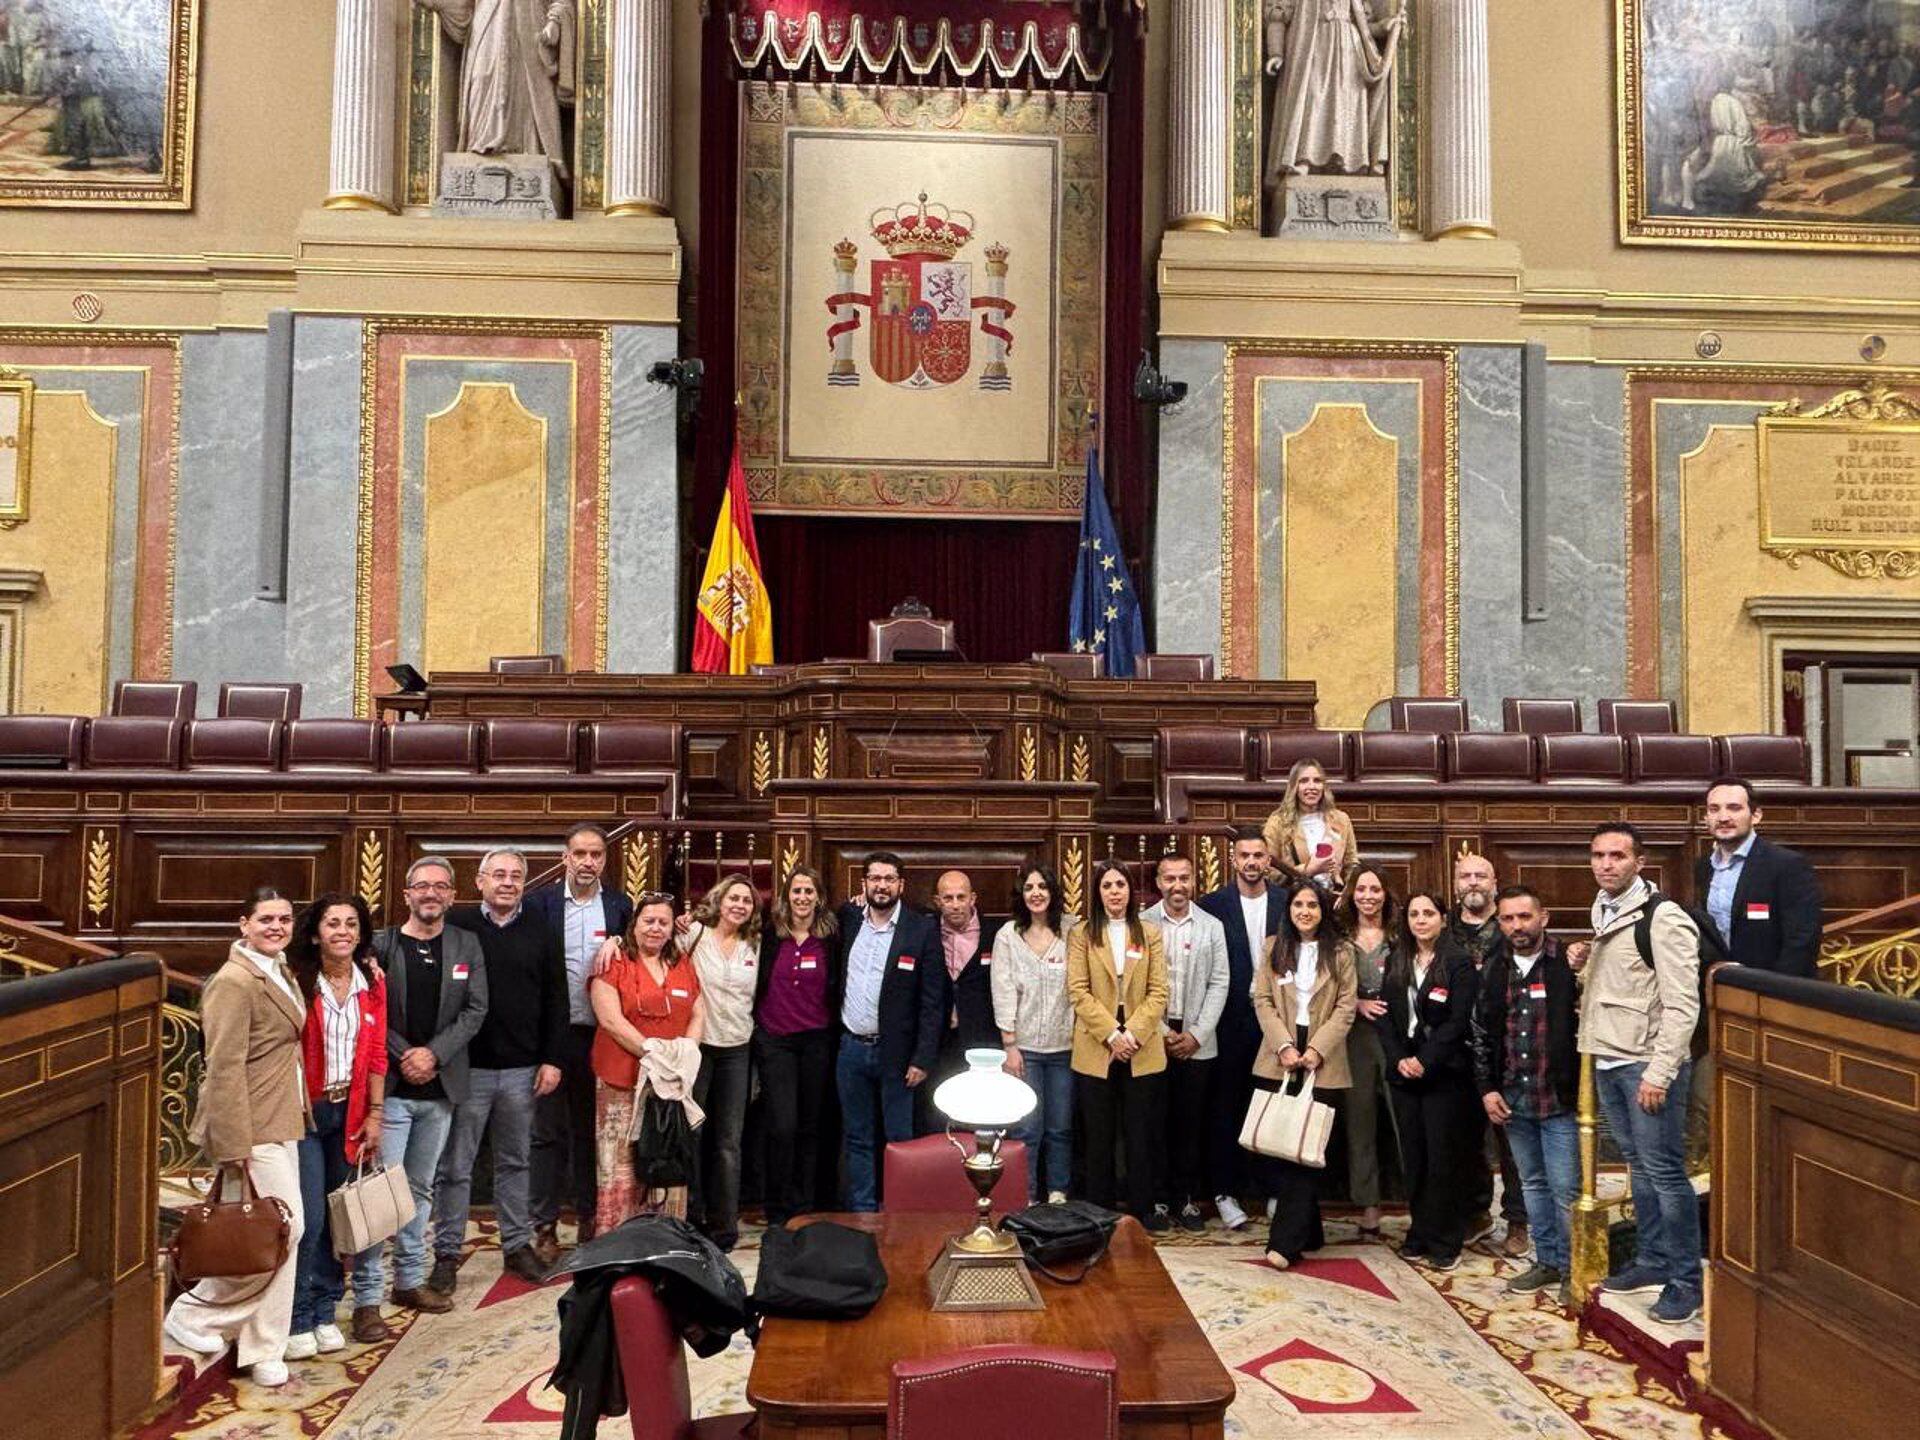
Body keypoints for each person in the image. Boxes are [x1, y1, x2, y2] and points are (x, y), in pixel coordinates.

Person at [163, 888, 309, 1389]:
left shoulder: (278, 970)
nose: (276, 926)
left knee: (282, 1233)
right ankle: (197, 1315)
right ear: (243, 924)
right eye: (266, 919)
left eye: (285, 919)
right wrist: (232, 1147)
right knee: (280, 1231)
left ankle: (263, 1346)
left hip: (283, 1118)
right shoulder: (233, 981)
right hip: (250, 1128)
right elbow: (222, 1069)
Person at [1569, 823, 1704, 1326]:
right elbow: (1619, 982)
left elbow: (1681, 1003)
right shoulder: (1603, 908)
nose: (1606, 864)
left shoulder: (1663, 919)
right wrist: (1581, 962)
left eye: (1617, 856)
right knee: (1637, 1167)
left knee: (1667, 1173)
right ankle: (1651, 1259)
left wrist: (1661, 1072)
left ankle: (1686, 1281)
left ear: (1639, 862)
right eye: (1598, 855)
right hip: (1608, 1053)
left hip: (1647, 1063)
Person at [435, 848, 567, 1291]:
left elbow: (556, 997)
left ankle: (516, 1245)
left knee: (516, 1161)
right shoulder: (459, 927)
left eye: (516, 875)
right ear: (481, 881)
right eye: (499, 875)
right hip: (466, 1069)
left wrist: (552, 1058)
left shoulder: (542, 928)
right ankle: (447, 1252)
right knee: (456, 1166)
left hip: (522, 1069)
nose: (508, 882)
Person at [370, 856, 489, 1316]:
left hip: (440, 1088)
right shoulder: (382, 945)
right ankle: (366, 1293)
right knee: (384, 1188)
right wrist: (407, 1054)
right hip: (393, 1088)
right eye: (422, 886)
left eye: (440, 887)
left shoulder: (466, 944)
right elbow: (370, 1011)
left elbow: (475, 1010)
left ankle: (409, 1279)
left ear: (453, 896)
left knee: (420, 1188)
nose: (431, 894)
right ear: (406, 895)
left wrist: (434, 1055)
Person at [526, 823, 634, 1262]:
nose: (589, 862)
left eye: (597, 855)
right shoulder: (540, 905)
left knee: (593, 1132)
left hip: (602, 1035)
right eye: (581, 854)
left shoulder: (619, 905)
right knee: (546, 1133)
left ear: (605, 860)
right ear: (565, 857)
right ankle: (545, 1226)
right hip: (553, 1036)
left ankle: (592, 1218)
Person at [288, 892, 389, 1352]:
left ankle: (327, 1306)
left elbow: (376, 1055)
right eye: (333, 924)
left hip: (349, 1110)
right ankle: (296, 1316)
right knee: (306, 1217)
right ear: (315, 932)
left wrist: (375, 1112)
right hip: (304, 1114)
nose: (343, 932)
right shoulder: (297, 980)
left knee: (334, 1216)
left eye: (351, 924)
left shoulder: (372, 981)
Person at [1473, 885, 1580, 1307]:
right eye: (1508, 919)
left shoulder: (1566, 965)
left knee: (1566, 1188)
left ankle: (1576, 1270)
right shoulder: (1494, 968)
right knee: (1532, 1184)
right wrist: (1487, 1089)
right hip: (1513, 1097)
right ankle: (1548, 1260)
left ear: (1544, 917)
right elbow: (1481, 1033)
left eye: (1524, 917)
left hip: (1558, 1098)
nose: (1517, 926)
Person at [828, 851, 943, 1212]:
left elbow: (932, 1001)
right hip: (851, 1049)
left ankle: (900, 1212)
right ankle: (863, 1214)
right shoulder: (847, 920)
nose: (882, 885)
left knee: (900, 1140)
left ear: (901, 885)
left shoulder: (921, 929)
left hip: (898, 1055)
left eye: (889, 878)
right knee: (857, 1137)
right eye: (875, 878)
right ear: (863, 883)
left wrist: (923, 1057)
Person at [1251, 880, 1357, 1269]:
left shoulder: (1342, 952)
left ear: (1323, 910)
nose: (1305, 911)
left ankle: (1284, 1241)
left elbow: (1346, 1006)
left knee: (1308, 1149)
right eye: (1298, 904)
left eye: (1313, 904)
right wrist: (1283, 1046)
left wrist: (1316, 1050)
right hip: (1279, 1052)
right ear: (1289, 909)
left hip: (1323, 1055)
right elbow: (1262, 1000)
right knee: (1283, 1146)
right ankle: (1309, 1230)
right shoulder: (1272, 947)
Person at [589, 891, 707, 1228]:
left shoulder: (682, 962)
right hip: (621, 1079)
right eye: (649, 921)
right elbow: (611, 1020)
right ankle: (619, 1249)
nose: (655, 928)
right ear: (634, 924)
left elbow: (698, 1012)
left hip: (671, 1084)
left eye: (663, 922)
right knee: (621, 1170)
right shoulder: (614, 961)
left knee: (668, 1164)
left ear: (672, 928)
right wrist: (655, 1055)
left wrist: (685, 1054)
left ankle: (667, 1245)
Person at [1067, 860, 1171, 1229]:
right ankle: (1099, 1210)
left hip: (1141, 1042)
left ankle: (1143, 1208)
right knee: (1099, 1134)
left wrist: (1133, 1034)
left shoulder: (1149, 933)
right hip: (1098, 1043)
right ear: (1098, 891)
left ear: (1131, 891)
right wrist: (1112, 1033)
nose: (1115, 891)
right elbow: (1078, 991)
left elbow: (1159, 991)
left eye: (1121, 885)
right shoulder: (1082, 934)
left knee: (1140, 1133)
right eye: (1108, 885)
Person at [1380, 889, 1479, 1271]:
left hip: (1443, 1076)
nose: (1420, 920)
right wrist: (1400, 1059)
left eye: (1428, 914)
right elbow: (1386, 1017)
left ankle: (1445, 1238)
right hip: (1405, 1075)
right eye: (1414, 914)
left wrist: (1425, 1060)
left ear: (1442, 918)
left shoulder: (1458, 963)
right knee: (1416, 1159)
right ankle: (1419, 1231)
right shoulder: (1398, 959)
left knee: (1443, 1160)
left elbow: (1457, 1022)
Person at [1196, 827, 1285, 1229]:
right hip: (1227, 1021)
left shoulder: (1286, 903)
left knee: (1270, 1106)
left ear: (1269, 860)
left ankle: (1272, 1190)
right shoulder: (1212, 906)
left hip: (1276, 1023)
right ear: (1233, 859)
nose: (1251, 862)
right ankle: (1225, 1192)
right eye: (1244, 855)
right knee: (1225, 1107)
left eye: (1259, 855)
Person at [1142, 852, 1229, 1231]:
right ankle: (1157, 1199)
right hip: (1152, 1038)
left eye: (1184, 878)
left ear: (1194, 881)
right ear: (1158, 882)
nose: (1177, 886)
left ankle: (1186, 1199)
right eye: (1169, 879)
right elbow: (1135, 984)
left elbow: (1220, 982)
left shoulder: (1212, 926)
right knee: (1154, 1122)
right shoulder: (1141, 924)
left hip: (1198, 1039)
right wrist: (1160, 1032)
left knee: (1190, 1124)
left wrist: (1196, 1034)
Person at [1449, 850, 1527, 1257]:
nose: (1474, 883)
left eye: (1482, 876)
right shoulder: (1444, 928)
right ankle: (1477, 1214)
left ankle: (1518, 1219)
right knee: (1465, 1139)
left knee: (1511, 1140)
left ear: (1495, 884)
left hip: (1506, 1047)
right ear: (1456, 883)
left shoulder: (1512, 927)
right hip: (1455, 1047)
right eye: (1466, 876)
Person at [677, 873, 760, 1251]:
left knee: (728, 1141)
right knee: (692, 1135)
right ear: (719, 899)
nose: (739, 905)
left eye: (747, 900)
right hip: (697, 1047)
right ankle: (692, 1218)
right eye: (734, 898)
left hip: (737, 1049)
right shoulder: (692, 934)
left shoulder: (756, 944)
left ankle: (724, 1223)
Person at [754, 864, 838, 1224]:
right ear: (786, 896)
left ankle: (805, 1205)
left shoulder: (832, 936)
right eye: (797, 891)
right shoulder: (770, 934)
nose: (802, 898)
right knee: (781, 1125)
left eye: (809, 891)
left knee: (811, 1125)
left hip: (818, 1039)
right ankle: (777, 1207)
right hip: (777, 1040)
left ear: (819, 897)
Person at [993, 863, 1078, 1205]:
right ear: (1021, 894)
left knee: (1060, 1128)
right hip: (1024, 1049)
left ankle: (1058, 1194)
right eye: (1029, 888)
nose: (1036, 893)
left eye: (1042, 886)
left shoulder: (1074, 931)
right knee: (1028, 1130)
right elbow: (1002, 991)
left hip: (1066, 1049)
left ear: (1054, 892)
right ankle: (1025, 1197)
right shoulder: (1008, 935)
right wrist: (1009, 1045)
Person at [1695, 778, 1822, 978]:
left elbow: (1801, 940)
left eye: (1734, 808)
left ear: (1756, 816)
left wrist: (1778, 992)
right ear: (1706, 817)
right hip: (1719, 989)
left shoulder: (1787, 865)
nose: (1723, 817)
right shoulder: (1704, 867)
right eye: (1714, 809)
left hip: (1772, 991)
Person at [1332, 866, 1400, 1240]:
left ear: (1386, 895)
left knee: (1403, 1119)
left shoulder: (1400, 935)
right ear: (1352, 894)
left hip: (1396, 1036)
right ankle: (1368, 1207)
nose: (1369, 896)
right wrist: (1356, 1003)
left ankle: (1416, 1202)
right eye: (1362, 889)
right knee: (1360, 1123)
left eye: (1376, 889)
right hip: (1354, 1037)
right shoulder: (1339, 937)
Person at [921, 869, 1004, 1135]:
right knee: (937, 1116)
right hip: (938, 1043)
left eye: (961, 897)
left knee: (981, 1117)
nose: (955, 904)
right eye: (948, 898)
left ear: (973, 898)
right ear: (937, 901)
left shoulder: (997, 934)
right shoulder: (924, 931)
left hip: (982, 1042)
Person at [1262, 758, 1359, 897]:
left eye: (1317, 781)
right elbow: (1267, 871)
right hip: (1294, 901)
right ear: (1294, 786)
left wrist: (1347, 895)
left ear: (1324, 787)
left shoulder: (1341, 820)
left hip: (1333, 900)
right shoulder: (1278, 822)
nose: (1311, 787)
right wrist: (1308, 870)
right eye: (1304, 781)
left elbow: (1351, 865)